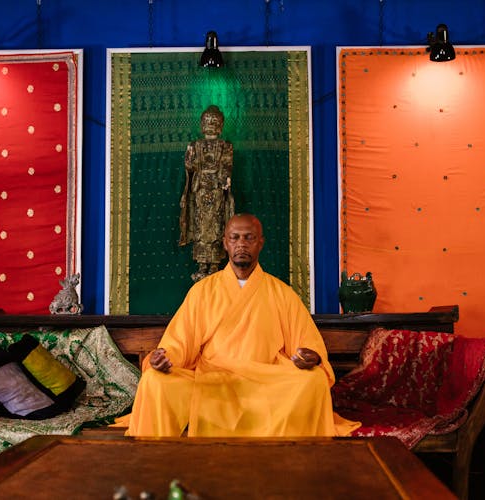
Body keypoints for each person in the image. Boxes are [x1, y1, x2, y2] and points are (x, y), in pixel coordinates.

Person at [127, 213, 360, 437]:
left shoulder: (282, 293)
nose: (241, 244)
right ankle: (154, 458)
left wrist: (312, 357)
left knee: (314, 380)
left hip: (266, 381)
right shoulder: (202, 291)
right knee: (154, 381)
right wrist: (165, 358)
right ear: (225, 243)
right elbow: (179, 342)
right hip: (212, 380)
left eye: (249, 237)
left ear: (261, 243)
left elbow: (306, 343)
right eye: (235, 237)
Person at [179, 105, 235, 282]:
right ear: (202, 124)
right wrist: (190, 157)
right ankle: (202, 265)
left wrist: (225, 179)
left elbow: (227, 165)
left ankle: (214, 265)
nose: (210, 125)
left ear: (220, 125)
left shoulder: (225, 146)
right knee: (201, 227)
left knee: (216, 226)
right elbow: (189, 165)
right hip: (200, 190)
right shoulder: (195, 145)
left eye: (214, 122)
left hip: (217, 189)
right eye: (207, 122)